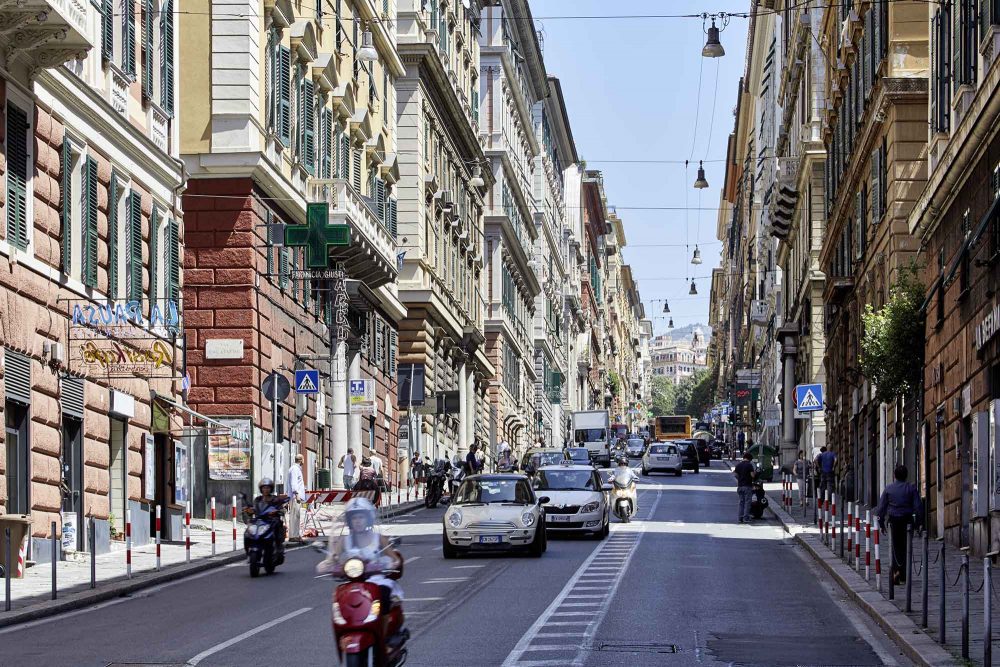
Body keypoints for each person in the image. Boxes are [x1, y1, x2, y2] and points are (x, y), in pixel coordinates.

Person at [316, 498, 405, 639]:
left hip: (376, 580)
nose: (358, 521)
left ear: (368, 518)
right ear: (349, 521)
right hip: (352, 582)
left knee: (385, 594)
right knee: (340, 602)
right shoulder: (344, 540)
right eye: (354, 517)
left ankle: (384, 635)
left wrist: (392, 563)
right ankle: (345, 631)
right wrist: (325, 565)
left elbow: (394, 558)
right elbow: (332, 558)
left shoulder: (379, 538)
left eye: (361, 517)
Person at [876, 464, 924, 585]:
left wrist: (881, 523)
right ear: (906, 476)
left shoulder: (888, 489)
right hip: (907, 521)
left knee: (895, 547)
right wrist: (919, 523)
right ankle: (903, 574)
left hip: (894, 521)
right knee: (906, 547)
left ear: (894, 475)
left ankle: (896, 571)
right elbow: (918, 507)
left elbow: (881, 508)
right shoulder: (911, 488)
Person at [244, 477, 287, 558]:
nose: (266, 490)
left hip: (271, 520)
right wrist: (249, 510)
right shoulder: (258, 499)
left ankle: (278, 546)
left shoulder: (275, 499)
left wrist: (278, 511)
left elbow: (281, 509)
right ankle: (248, 549)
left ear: (271, 489)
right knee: (247, 531)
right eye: (264, 488)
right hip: (259, 521)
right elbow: (254, 508)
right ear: (261, 489)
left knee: (277, 524)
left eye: (267, 488)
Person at [285, 453, 306, 541]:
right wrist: (297, 494)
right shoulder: (294, 469)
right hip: (294, 496)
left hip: (295, 496)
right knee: (294, 516)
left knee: (296, 516)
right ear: (301, 460)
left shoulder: (296, 469)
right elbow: (294, 483)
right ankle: (293, 536)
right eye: (303, 459)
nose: (304, 461)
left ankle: (296, 535)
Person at [734, 453, 756, 523]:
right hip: (747, 486)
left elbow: (735, 474)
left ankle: (740, 517)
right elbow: (752, 475)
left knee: (741, 502)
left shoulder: (738, 465)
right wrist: (755, 473)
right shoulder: (749, 465)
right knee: (747, 502)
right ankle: (746, 517)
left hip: (740, 486)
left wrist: (740, 479)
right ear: (749, 459)